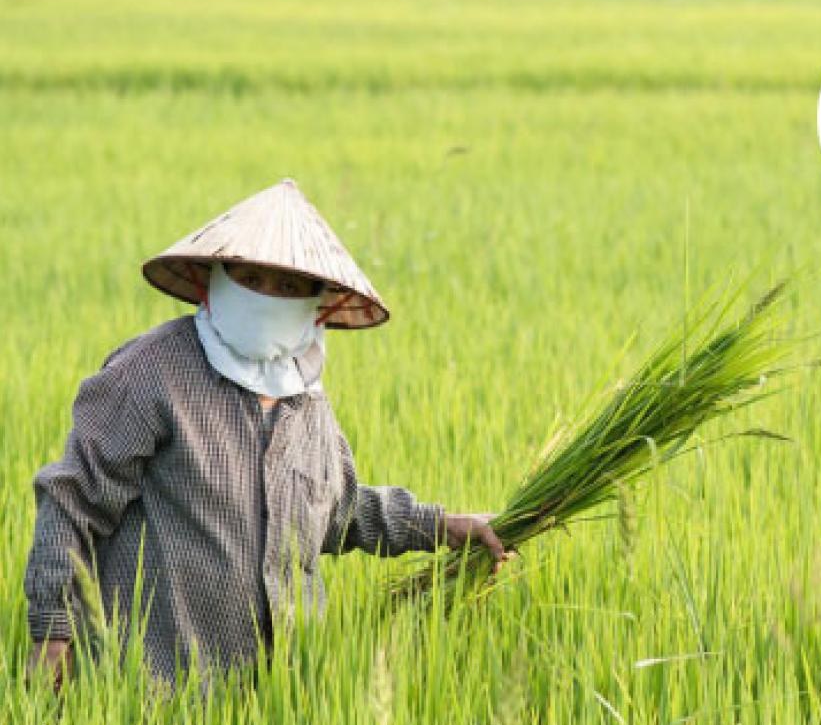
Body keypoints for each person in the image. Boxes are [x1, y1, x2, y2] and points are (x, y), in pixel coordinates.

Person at [24, 179, 508, 690]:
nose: (266, 296)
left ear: (319, 304)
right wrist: (52, 634)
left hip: (277, 699)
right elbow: (72, 500)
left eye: (289, 287)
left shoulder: (305, 395)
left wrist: (441, 525)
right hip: (151, 694)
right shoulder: (152, 370)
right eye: (249, 277)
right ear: (212, 277)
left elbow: (335, 511)